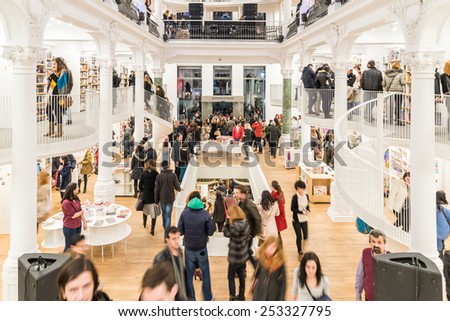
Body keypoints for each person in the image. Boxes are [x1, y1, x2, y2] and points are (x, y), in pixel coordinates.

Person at [177, 197, 216, 301]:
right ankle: (207, 297)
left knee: (189, 276)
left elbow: (179, 231)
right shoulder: (205, 214)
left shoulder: (184, 214)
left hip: (189, 248)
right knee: (206, 274)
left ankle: (191, 299)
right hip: (201, 248)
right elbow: (211, 232)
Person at [223, 205, 250, 301]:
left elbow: (226, 233)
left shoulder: (233, 226)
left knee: (231, 277)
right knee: (241, 275)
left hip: (234, 256)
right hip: (243, 254)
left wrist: (227, 222)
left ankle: (232, 296)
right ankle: (242, 295)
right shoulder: (246, 223)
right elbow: (247, 236)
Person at [153, 226, 188, 301]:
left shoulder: (179, 252)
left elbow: (182, 273)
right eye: (173, 239)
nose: (177, 241)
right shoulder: (161, 258)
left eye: (178, 238)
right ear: (167, 240)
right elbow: (156, 281)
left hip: (181, 295)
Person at [355, 229, 389, 301]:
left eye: (379, 242)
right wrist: (358, 295)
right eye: (373, 242)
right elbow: (360, 275)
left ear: (384, 244)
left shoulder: (390, 258)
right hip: (369, 298)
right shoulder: (365, 253)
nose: (376, 245)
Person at [251, 235, 286, 301]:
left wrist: (281, 300)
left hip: (273, 296)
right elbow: (256, 275)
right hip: (260, 294)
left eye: (273, 247)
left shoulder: (280, 263)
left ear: (276, 249)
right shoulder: (261, 259)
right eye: (268, 246)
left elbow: (283, 284)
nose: (270, 249)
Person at [235, 185, 261, 269]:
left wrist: (253, 234)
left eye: (237, 193)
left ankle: (256, 266)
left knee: (245, 252)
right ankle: (245, 269)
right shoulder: (241, 203)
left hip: (248, 234)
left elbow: (257, 219)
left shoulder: (249, 205)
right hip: (243, 233)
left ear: (243, 194)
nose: (236, 194)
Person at [46, 57, 73, 137]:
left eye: (54, 64)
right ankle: (51, 131)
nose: (53, 65)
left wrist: (52, 75)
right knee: (48, 111)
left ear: (59, 63)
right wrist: (50, 77)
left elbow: (60, 83)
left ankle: (59, 132)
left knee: (58, 113)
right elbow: (54, 82)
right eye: (52, 64)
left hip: (58, 96)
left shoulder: (63, 71)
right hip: (51, 95)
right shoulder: (56, 72)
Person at [155, 160, 181, 237]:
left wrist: (156, 201)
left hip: (162, 198)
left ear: (162, 167)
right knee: (168, 215)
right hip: (170, 198)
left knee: (164, 214)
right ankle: (166, 233)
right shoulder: (173, 175)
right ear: (169, 165)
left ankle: (165, 230)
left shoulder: (159, 176)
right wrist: (180, 189)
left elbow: (156, 190)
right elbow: (177, 186)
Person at [61, 182, 86, 252]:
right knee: (69, 246)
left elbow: (80, 210)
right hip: (70, 227)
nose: (78, 188)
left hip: (78, 225)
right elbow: (73, 215)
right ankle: (66, 260)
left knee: (76, 244)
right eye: (77, 187)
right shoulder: (66, 202)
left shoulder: (76, 198)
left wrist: (84, 222)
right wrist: (82, 211)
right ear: (73, 190)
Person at [139, 160, 159, 234]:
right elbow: (158, 185)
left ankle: (144, 223)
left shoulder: (143, 174)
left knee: (145, 211)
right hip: (153, 196)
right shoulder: (156, 174)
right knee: (153, 214)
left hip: (146, 196)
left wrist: (143, 191)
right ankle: (152, 229)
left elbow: (140, 186)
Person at [436, 190, 450, 255]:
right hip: (442, 233)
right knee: (440, 247)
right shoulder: (441, 209)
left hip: (438, 233)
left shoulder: (435, 208)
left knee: (439, 247)